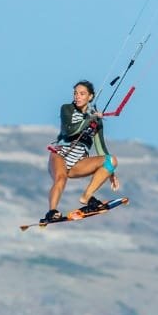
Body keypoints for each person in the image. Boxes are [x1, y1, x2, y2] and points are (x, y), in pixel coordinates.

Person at [42, 80, 120, 223]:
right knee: (61, 178)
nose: (77, 96)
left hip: (78, 162)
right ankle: (52, 211)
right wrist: (90, 118)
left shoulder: (95, 119)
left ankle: (86, 197)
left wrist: (111, 172)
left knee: (111, 160)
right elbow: (70, 130)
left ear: (90, 97)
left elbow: (101, 148)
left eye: (82, 94)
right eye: (75, 93)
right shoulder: (67, 109)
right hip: (60, 155)